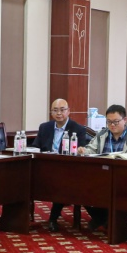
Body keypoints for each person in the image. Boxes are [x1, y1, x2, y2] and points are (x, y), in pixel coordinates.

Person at [81, 104, 127, 233]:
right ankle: (103, 218)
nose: (112, 125)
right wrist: (84, 151)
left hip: (124, 178)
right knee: (81, 187)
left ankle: (103, 219)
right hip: (102, 176)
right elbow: (91, 149)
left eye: (116, 122)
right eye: (109, 122)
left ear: (125, 120)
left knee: (113, 189)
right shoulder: (102, 134)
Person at [35, 98, 89, 232]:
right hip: (45, 166)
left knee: (61, 181)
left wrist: (81, 150)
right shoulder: (45, 127)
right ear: (51, 112)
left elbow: (82, 149)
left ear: (68, 111)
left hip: (67, 169)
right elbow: (36, 146)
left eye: (62, 110)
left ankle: (53, 218)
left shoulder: (78, 129)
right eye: (55, 110)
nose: (59, 113)